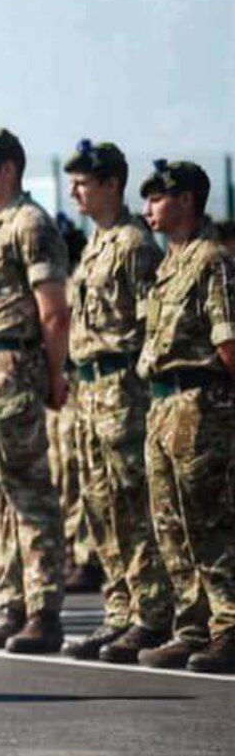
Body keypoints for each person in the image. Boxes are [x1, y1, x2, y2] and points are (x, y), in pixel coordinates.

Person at [0, 127, 72, 656]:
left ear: (8, 168)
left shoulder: (31, 223)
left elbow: (52, 307)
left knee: (28, 492)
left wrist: (52, 374)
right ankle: (12, 604)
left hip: (12, 367)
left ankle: (43, 610)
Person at [58, 140, 174, 662]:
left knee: (133, 503)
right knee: (100, 505)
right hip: (90, 390)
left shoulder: (133, 245)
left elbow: (153, 325)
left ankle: (152, 614)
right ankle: (120, 611)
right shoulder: (96, 244)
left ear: (111, 184)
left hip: (123, 388)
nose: (75, 191)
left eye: (84, 182)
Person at [135, 160, 235, 673]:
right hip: (162, 404)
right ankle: (192, 626)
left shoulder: (210, 260)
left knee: (208, 519)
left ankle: (228, 625)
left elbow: (228, 343)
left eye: (159, 196)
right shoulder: (169, 263)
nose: (149, 205)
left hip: (201, 405)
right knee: (170, 522)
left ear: (188, 201)